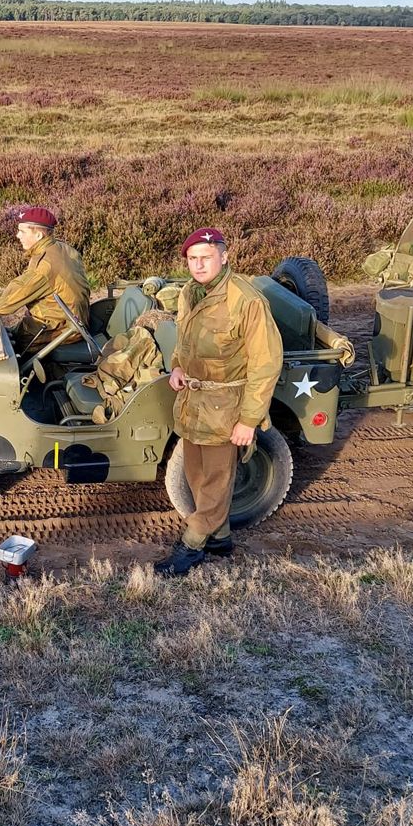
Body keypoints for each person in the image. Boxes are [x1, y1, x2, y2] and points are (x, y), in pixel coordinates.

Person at [154, 228, 283, 577]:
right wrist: (178, 366)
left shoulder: (245, 299)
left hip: (227, 404)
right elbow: (184, 338)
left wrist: (249, 420)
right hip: (194, 399)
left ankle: (191, 546)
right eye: (192, 259)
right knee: (196, 474)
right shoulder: (189, 293)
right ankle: (221, 538)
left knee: (215, 481)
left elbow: (266, 362)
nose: (198, 265)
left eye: (205, 257)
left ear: (223, 257)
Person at [0, 206, 91, 355]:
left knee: (0, 351)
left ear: (38, 235)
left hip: (59, 331)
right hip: (71, 323)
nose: (18, 235)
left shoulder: (44, 266)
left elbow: (1, 306)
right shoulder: (64, 249)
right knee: (7, 332)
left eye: (22, 231)